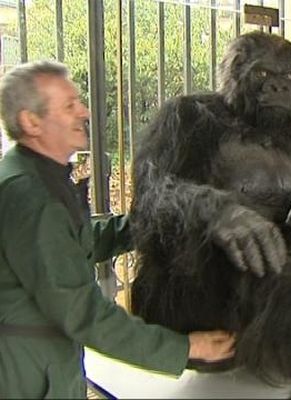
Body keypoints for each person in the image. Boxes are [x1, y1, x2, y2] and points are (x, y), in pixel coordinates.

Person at [0, 60, 235, 398]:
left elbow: (74, 244)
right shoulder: (31, 197)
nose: (85, 112)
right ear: (31, 121)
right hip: (28, 375)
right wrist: (186, 348)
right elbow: (83, 313)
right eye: (70, 105)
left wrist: (148, 223)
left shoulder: (33, 176)